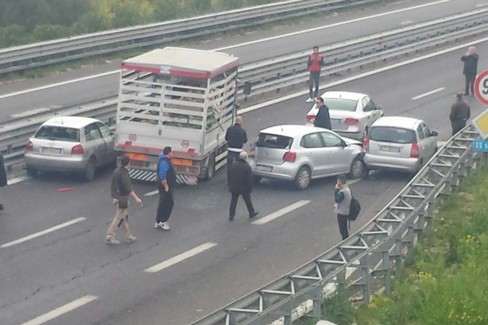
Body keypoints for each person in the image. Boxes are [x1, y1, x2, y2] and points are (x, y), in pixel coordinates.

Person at [106, 156, 142, 245]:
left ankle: (128, 236)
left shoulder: (117, 171)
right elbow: (128, 188)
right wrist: (137, 198)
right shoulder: (124, 174)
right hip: (122, 198)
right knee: (119, 218)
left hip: (116, 196)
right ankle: (110, 236)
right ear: (128, 163)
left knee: (123, 218)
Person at [228, 151, 258, 221]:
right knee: (248, 201)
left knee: (233, 201)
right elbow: (249, 179)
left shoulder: (233, 165)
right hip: (244, 187)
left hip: (234, 186)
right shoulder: (246, 167)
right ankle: (251, 213)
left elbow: (230, 174)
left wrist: (230, 184)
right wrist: (250, 188)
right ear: (246, 158)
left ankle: (231, 215)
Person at [155, 146, 176, 231]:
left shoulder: (163, 159)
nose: (173, 154)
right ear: (169, 153)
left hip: (165, 186)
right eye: (172, 152)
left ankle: (158, 220)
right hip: (165, 187)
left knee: (163, 202)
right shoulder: (164, 162)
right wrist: (166, 186)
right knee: (168, 203)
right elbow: (163, 175)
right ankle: (163, 221)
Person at [225, 116, 248, 183]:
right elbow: (245, 140)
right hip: (238, 151)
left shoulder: (229, 129)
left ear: (235, 121)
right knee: (238, 166)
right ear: (240, 121)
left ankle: (229, 180)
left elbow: (226, 138)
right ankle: (236, 180)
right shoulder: (243, 131)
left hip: (230, 149)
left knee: (229, 165)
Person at [334, 174, 352, 240]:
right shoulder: (346, 189)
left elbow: (337, 199)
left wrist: (336, 190)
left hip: (342, 213)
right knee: (343, 229)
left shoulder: (343, 191)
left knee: (343, 229)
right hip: (345, 211)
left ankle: (346, 242)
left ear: (339, 182)